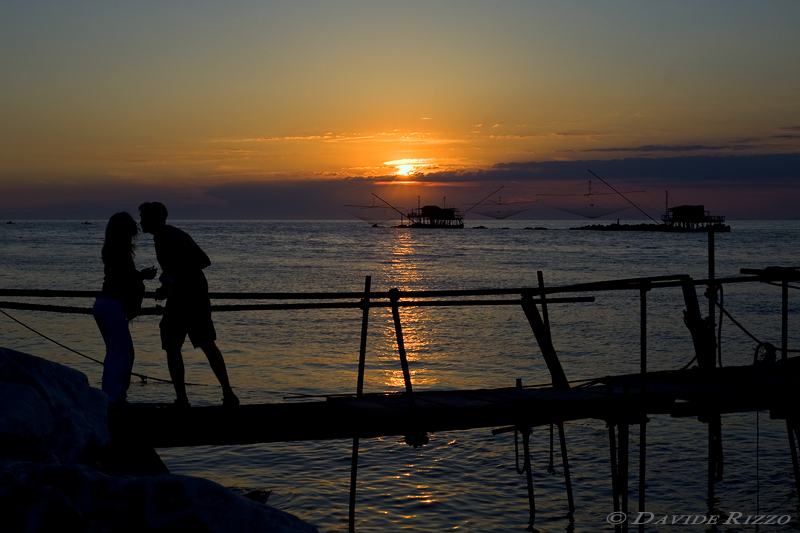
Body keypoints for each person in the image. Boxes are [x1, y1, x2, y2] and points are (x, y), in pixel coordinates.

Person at [138, 201, 239, 408]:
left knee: (172, 345)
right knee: (207, 344)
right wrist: (171, 277)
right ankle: (228, 393)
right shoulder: (179, 234)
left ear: (154, 220)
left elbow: (180, 267)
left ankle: (182, 399)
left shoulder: (163, 238)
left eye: (144, 218)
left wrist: (168, 284)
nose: (141, 222)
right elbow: (203, 261)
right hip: (198, 294)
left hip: (183, 297)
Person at [93, 212, 157, 405]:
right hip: (112, 305)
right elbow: (124, 280)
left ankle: (117, 395)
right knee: (119, 354)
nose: (134, 232)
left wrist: (139, 276)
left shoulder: (112, 249)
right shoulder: (118, 251)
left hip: (106, 304)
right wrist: (142, 276)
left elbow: (121, 277)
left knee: (124, 352)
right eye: (130, 228)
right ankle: (113, 398)